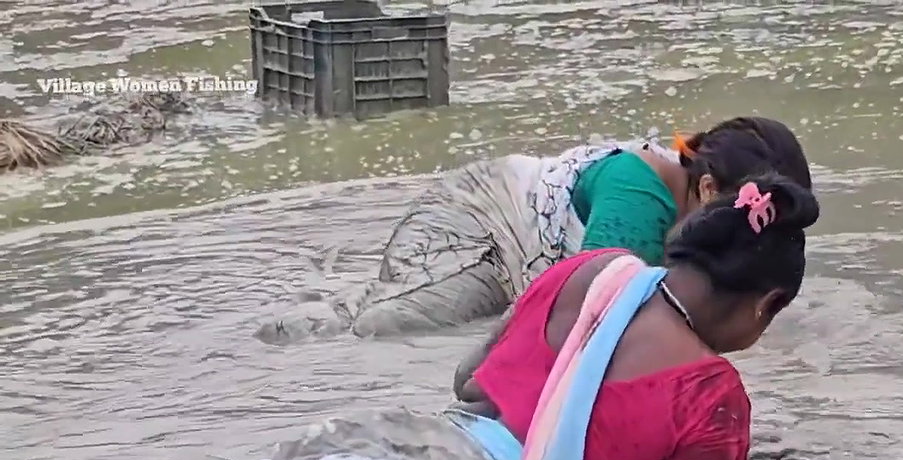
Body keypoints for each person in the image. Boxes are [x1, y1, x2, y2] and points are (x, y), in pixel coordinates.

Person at [7, 172, 819, 460]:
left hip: (380, 440)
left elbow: (471, 385)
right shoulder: (712, 398)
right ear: (767, 305)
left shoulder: (590, 269)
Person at [255, 116, 814, 344]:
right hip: (476, 227)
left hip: (509, 235)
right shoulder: (639, 193)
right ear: (710, 190)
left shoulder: (686, 203)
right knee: (384, 322)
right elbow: (599, 306)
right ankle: (288, 330)